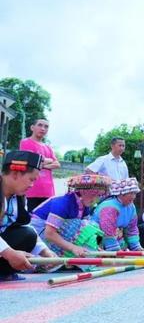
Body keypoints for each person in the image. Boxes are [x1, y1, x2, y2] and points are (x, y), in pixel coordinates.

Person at [0, 151, 56, 281]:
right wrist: (9, 253)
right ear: (15, 174)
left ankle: (3, 273)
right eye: (31, 179)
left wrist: (45, 252)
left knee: (27, 234)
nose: (32, 185)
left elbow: (25, 226)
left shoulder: (18, 198)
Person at [31, 174, 110, 259]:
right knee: (80, 225)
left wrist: (95, 248)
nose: (96, 199)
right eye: (95, 194)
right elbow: (49, 234)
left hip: (53, 235)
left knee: (91, 226)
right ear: (83, 191)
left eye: (100, 196)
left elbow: (88, 232)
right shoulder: (63, 203)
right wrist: (73, 248)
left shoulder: (84, 205)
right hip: (38, 235)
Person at [19, 118, 61, 212]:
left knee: (45, 220)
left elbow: (57, 164)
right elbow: (29, 161)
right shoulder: (25, 142)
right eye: (40, 125)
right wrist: (49, 160)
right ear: (32, 127)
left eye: (46, 127)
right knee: (33, 219)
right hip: (33, 188)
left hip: (48, 190)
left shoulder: (48, 147)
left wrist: (41, 164)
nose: (43, 128)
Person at [92, 178, 143, 251]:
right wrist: (116, 251)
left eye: (135, 193)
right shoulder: (109, 206)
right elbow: (107, 232)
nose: (134, 196)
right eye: (131, 193)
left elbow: (132, 229)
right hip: (97, 240)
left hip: (118, 239)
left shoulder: (131, 207)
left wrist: (137, 247)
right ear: (121, 194)